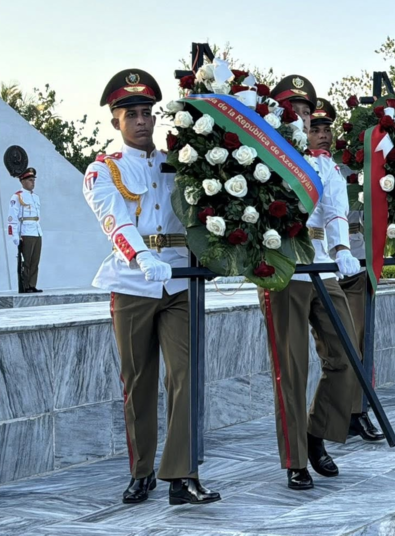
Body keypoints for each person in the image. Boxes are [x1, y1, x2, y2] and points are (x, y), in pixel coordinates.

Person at [84, 69, 219, 505]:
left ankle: (182, 475)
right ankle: (141, 471)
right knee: (138, 381)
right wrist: (141, 256)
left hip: (179, 279)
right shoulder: (103, 169)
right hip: (132, 281)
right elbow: (113, 219)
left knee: (185, 376)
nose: (142, 121)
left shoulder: (181, 163)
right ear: (116, 122)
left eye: (147, 113)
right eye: (132, 115)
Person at [262, 76, 362, 491]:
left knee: (346, 354)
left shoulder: (325, 165)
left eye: (307, 113)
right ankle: (295, 460)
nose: (303, 120)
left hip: (321, 264)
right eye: (295, 112)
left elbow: (336, 209)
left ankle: (315, 432)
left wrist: (341, 249)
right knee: (292, 366)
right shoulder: (263, 158)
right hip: (283, 264)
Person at [317, 96, 383, 443]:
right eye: (315, 128)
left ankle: (357, 413)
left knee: (356, 344)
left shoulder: (349, 167)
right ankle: (329, 419)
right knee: (335, 350)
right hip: (318, 264)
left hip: (354, 259)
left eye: (327, 128)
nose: (323, 135)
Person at [7, 167, 43, 293]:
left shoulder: (36, 197)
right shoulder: (17, 197)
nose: (32, 182)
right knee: (26, 261)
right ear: (22, 181)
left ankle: (32, 284)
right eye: (30, 180)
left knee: (35, 261)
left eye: (33, 180)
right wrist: (15, 236)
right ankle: (25, 285)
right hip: (25, 232)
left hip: (36, 231)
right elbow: (12, 218)